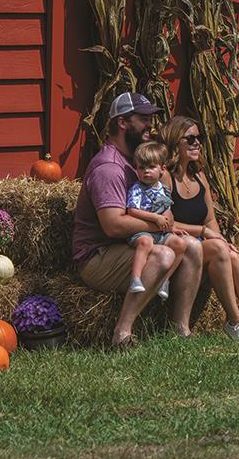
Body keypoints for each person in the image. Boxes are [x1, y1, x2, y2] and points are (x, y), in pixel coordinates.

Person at [71, 92, 202, 347]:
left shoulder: (137, 162)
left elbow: (162, 207)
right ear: (122, 123)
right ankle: (122, 333)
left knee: (194, 248)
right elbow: (113, 225)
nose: (150, 126)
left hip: (130, 244)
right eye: (143, 119)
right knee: (164, 255)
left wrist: (167, 218)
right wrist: (160, 224)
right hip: (97, 256)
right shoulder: (109, 168)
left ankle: (181, 329)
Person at [158, 115, 239, 341]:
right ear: (174, 142)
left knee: (232, 255)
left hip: (201, 247)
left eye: (199, 138)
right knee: (220, 250)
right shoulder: (165, 178)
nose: (197, 143)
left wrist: (219, 238)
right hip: (179, 250)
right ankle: (236, 321)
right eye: (190, 139)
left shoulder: (199, 176)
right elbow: (163, 223)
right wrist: (204, 233)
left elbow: (210, 220)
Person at [125, 141, 184, 300]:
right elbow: (132, 210)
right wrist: (155, 218)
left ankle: (165, 280)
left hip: (161, 232)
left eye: (151, 167)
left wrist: (171, 229)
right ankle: (135, 278)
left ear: (162, 169)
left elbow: (167, 211)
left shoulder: (164, 189)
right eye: (141, 168)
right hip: (143, 231)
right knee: (145, 243)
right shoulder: (137, 189)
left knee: (180, 244)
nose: (146, 172)